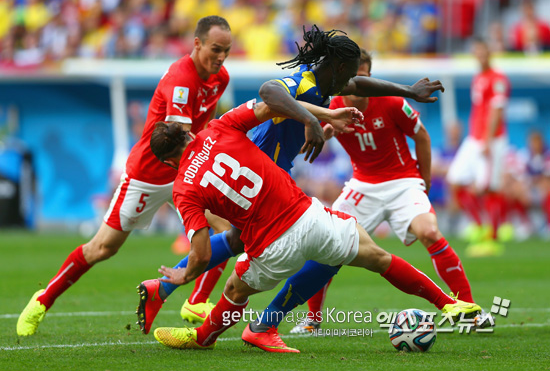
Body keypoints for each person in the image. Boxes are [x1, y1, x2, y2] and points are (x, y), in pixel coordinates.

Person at [136, 26, 446, 345]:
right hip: (261, 164)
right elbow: (270, 93)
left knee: (234, 239)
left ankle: (169, 291)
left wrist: (407, 91)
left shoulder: (325, 81)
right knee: (258, 244)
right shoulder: (307, 81)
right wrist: (314, 121)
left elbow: (357, 84)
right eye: (350, 74)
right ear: (339, 67)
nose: (352, 84)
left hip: (266, 165)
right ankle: (232, 316)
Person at [148, 100, 481, 353]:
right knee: (379, 259)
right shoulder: (220, 126)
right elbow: (271, 103)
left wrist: (184, 275)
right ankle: (450, 304)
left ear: (167, 162)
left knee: (235, 290)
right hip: (311, 218)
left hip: (270, 250)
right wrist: (321, 116)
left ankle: (205, 337)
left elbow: (202, 252)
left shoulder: (183, 190)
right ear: (189, 132)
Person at [16, 15, 233, 336]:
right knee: (102, 249)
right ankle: (43, 299)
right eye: (216, 49)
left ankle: (197, 300)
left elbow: (202, 128)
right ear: (197, 43)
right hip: (149, 172)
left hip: (185, 173)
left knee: (230, 230)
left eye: (227, 51)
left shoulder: (220, 77)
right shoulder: (181, 79)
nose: (221, 57)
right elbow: (182, 139)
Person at [290, 49, 480, 334]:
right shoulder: (335, 104)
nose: (356, 82)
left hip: (403, 181)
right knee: (325, 243)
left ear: (370, 77)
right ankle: (312, 320)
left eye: (362, 76)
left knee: (429, 232)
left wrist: (424, 182)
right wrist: (324, 131)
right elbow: (324, 128)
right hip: (362, 185)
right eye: (351, 76)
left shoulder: (392, 103)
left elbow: (422, 136)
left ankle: (468, 309)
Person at [446, 37, 511, 257]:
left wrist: (488, 139)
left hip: (490, 139)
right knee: (455, 179)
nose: (480, 56)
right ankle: (478, 226)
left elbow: (497, 110)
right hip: (474, 138)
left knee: (489, 187)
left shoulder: (498, 78)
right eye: (477, 52)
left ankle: (492, 239)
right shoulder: (478, 78)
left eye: (483, 52)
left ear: (489, 53)